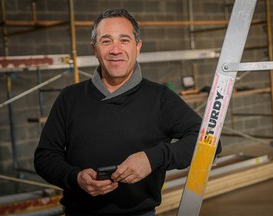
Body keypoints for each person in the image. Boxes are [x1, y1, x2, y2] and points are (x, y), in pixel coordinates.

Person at [34, 8, 221, 215]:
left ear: (137, 46)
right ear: (94, 49)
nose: (115, 49)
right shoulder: (70, 98)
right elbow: (45, 157)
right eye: (106, 41)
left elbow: (210, 141)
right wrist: (75, 177)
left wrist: (154, 158)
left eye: (124, 40)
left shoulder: (160, 98)